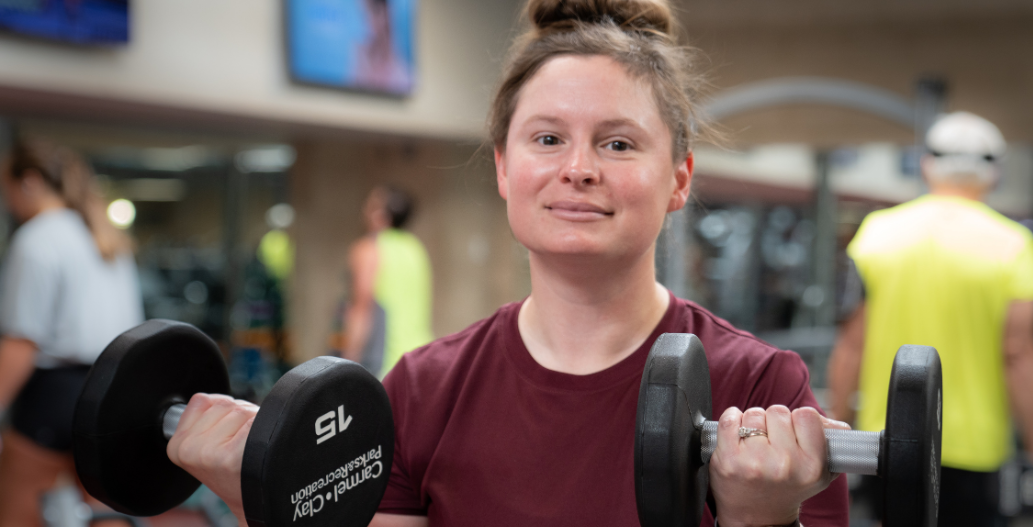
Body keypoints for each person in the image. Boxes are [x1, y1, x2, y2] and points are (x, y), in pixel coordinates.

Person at [166, 1, 851, 526]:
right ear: (503, 167)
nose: (578, 169)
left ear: (678, 178)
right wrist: (265, 493)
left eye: (617, 143)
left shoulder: (762, 387)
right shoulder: (420, 388)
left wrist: (757, 516)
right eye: (547, 137)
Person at [828, 111, 1033, 526]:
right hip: (976, 450)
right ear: (995, 173)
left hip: (887, 444)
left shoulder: (876, 233)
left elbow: (851, 346)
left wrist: (835, 439)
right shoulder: (1015, 245)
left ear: (926, 164)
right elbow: (1019, 355)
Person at [0, 138, 144, 525]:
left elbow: (21, 343)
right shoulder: (105, 236)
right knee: (103, 512)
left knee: (18, 510)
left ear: (29, 182)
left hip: (54, 395)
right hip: (109, 392)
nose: (8, 202)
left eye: (7, 190)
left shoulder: (36, 238)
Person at [342, 185, 433, 377]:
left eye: (371, 204)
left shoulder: (368, 249)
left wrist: (345, 368)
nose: (365, 210)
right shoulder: (416, 249)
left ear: (380, 215)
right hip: (422, 359)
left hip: (387, 367)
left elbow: (361, 311)